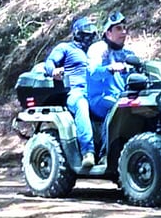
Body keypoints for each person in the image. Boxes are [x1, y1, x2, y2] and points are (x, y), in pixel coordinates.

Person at [43, 16, 98, 170]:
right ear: (77, 34)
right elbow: (50, 62)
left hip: (96, 93)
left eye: (92, 34)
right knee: (81, 105)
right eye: (86, 33)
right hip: (75, 92)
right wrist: (53, 71)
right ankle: (88, 152)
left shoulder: (96, 52)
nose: (90, 37)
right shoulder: (66, 48)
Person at [87, 11, 138, 155]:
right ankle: (106, 153)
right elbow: (93, 73)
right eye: (118, 29)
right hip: (100, 99)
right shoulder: (98, 49)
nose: (124, 32)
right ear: (108, 33)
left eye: (124, 28)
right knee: (116, 107)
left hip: (124, 96)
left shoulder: (128, 53)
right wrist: (109, 68)